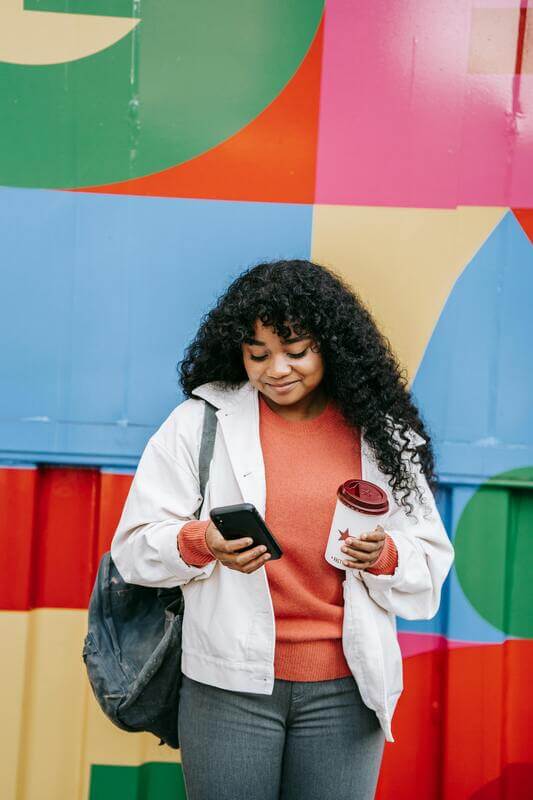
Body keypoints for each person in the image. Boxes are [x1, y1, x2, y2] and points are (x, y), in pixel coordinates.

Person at [111, 259, 454, 800]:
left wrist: (386, 555)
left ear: (332, 347)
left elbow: (430, 563)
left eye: (296, 352)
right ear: (237, 352)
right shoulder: (199, 422)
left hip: (346, 690)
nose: (277, 369)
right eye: (258, 354)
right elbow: (132, 549)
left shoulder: (381, 435)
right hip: (228, 687)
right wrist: (203, 543)